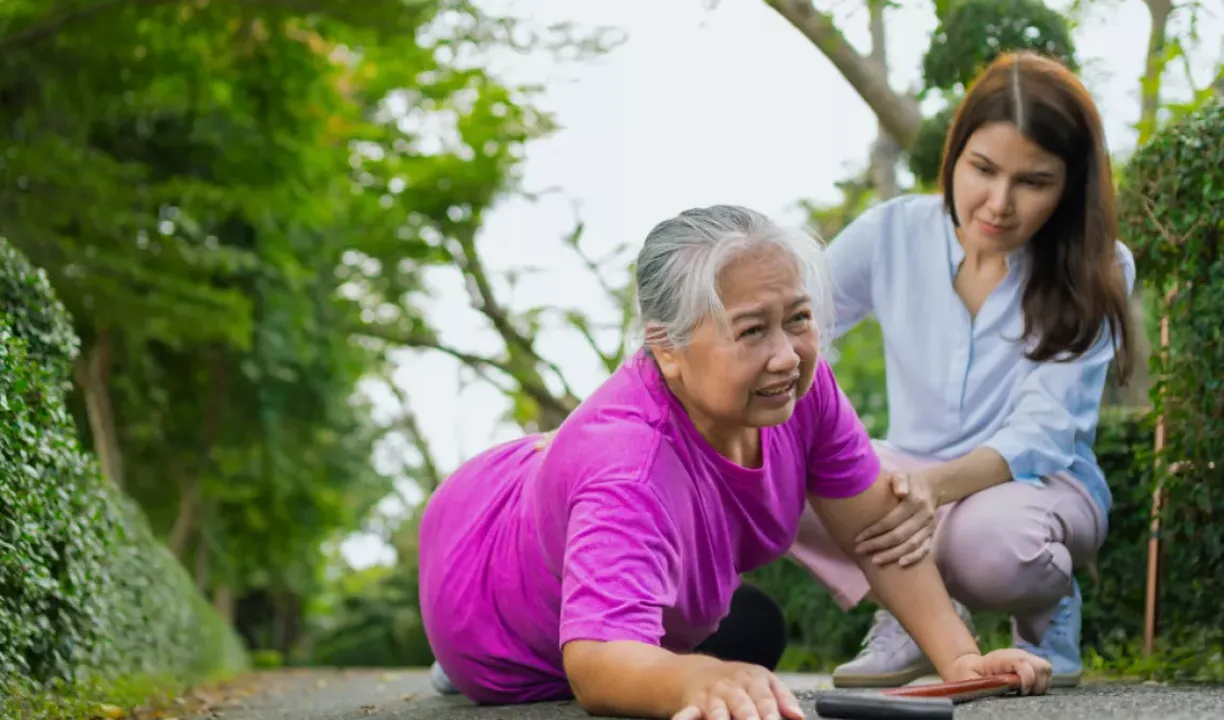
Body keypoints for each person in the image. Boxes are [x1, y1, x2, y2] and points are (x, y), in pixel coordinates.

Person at [416, 203, 1053, 720]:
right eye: (752, 330)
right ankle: (466, 658)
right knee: (699, 669)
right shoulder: (627, 465)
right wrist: (690, 679)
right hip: (482, 587)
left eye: (798, 319)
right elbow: (595, 665)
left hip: (570, 493)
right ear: (666, 350)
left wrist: (961, 662)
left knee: (750, 637)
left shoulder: (801, 388)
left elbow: (874, 528)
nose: (786, 355)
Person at [785, 50, 1137, 690]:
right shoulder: (891, 233)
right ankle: (916, 614)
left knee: (992, 547)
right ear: (956, 154)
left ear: (1069, 186)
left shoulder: (1097, 266)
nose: (999, 203)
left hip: (1038, 487)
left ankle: (1045, 609)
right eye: (983, 169)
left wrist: (935, 489)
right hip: (909, 475)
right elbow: (791, 326)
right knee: (775, 464)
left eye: (1034, 182)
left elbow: (1044, 431)